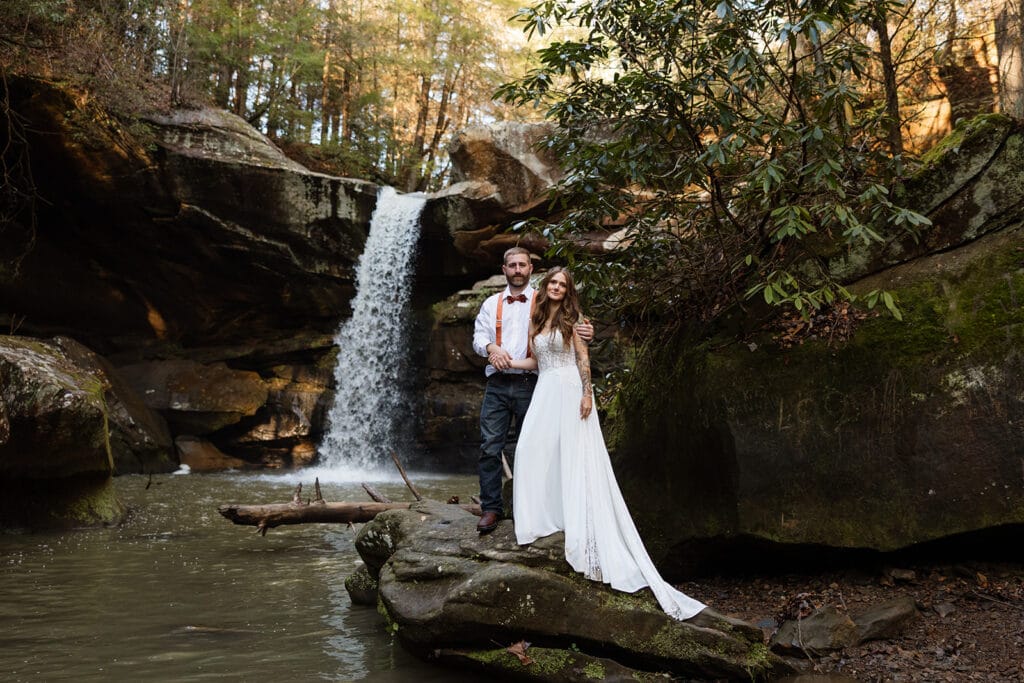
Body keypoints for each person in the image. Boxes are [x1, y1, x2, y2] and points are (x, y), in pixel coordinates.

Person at [507, 267, 706, 621]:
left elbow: (583, 359)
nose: (555, 287)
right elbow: (536, 362)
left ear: (567, 291)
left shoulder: (575, 319)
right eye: (552, 282)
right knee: (530, 452)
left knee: (571, 454)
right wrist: (508, 362)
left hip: (570, 389)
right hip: (545, 390)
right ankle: (541, 519)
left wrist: (587, 394)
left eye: (561, 284)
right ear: (545, 286)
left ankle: (572, 519)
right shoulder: (536, 320)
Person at [472, 248, 592, 534]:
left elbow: (573, 322)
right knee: (490, 447)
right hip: (498, 384)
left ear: (530, 269)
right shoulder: (491, 303)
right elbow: (478, 337)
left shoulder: (544, 298)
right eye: (511, 265)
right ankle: (491, 508)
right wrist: (491, 348)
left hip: (534, 384)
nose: (517, 269)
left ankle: (531, 509)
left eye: (522, 265)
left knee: (534, 447)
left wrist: (588, 330)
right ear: (504, 269)